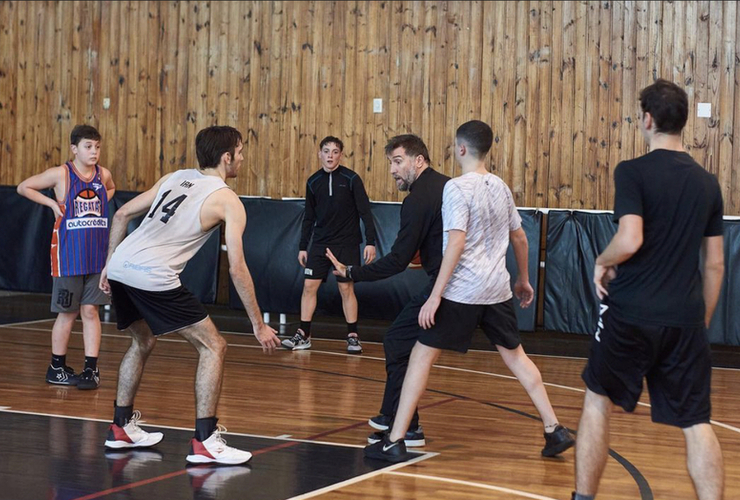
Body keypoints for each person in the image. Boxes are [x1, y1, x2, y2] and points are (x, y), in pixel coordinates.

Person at [361, 121, 575, 462]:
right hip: (497, 290)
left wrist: (435, 295)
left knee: (420, 355)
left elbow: (456, 243)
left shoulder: (456, 189)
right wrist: (523, 278)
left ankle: (397, 439)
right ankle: (554, 429)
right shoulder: (501, 187)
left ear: (460, 149)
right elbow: (519, 237)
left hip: (462, 291)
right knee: (517, 357)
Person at [573, 80, 725, 500]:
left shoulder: (632, 171)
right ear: (684, 122)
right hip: (685, 319)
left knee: (597, 401)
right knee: (697, 422)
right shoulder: (708, 183)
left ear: (647, 119)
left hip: (630, 315)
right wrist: (701, 320)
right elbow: (714, 264)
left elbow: (630, 239)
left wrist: (601, 262)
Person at [99, 125, 281, 465]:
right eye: (240, 152)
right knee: (214, 346)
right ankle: (205, 441)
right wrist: (258, 324)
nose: (242, 158)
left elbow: (122, 213)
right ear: (226, 158)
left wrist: (109, 265)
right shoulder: (228, 199)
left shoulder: (175, 177)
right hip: (152, 276)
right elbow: (237, 269)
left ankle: (121, 427)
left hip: (122, 266)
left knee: (142, 341)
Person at [326, 134, 449, 449]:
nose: (392, 170)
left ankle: (396, 418)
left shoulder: (417, 199)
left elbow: (397, 260)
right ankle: (406, 424)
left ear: (418, 160)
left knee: (397, 341)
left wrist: (352, 271)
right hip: (475, 282)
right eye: (390, 163)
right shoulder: (448, 185)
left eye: (398, 161)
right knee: (512, 352)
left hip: (449, 286)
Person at [17, 124, 115, 390]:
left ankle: (91, 370)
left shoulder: (102, 174)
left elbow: (111, 188)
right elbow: (24, 187)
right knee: (68, 314)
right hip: (69, 256)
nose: (94, 151)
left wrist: (102, 201)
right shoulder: (62, 174)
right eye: (88, 146)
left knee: (91, 311)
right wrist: (51, 203)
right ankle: (56, 368)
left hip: (96, 256)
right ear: (74, 148)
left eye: (97, 147)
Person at [283, 136, 377, 354]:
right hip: (320, 243)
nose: (330, 156)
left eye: (335, 152)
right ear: (320, 154)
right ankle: (304, 334)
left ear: (341, 155)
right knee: (309, 287)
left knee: (346, 288)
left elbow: (365, 212)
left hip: (347, 243)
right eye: (326, 151)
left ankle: (353, 336)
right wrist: (303, 246)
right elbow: (309, 217)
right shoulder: (313, 182)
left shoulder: (351, 179)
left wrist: (370, 242)